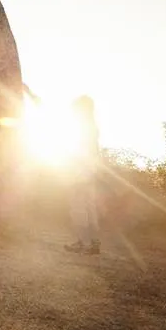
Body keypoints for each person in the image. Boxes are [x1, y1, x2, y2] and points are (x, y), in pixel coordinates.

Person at [64, 95, 102, 255]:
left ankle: (83, 243)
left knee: (78, 209)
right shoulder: (91, 126)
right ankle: (92, 243)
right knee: (89, 209)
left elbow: (81, 152)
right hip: (89, 173)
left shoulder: (84, 127)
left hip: (81, 174)